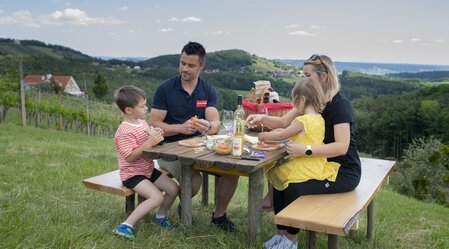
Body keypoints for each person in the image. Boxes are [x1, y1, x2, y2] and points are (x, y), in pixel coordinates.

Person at [246, 54, 361, 249]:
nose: (303, 79)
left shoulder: (340, 106)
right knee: (280, 179)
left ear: (323, 77)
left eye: (307, 75)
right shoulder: (310, 99)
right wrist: (261, 118)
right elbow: (284, 122)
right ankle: (282, 235)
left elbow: (342, 147)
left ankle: (291, 241)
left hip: (341, 171)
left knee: (294, 188)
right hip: (315, 165)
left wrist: (305, 149)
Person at [149, 41, 239, 232]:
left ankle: (219, 216)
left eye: (190, 65)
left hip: (200, 148)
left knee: (232, 171)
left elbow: (215, 122)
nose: (185, 69)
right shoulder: (165, 89)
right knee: (195, 181)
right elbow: (154, 124)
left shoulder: (207, 89)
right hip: (169, 149)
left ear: (201, 66)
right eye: (182, 63)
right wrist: (180, 128)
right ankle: (184, 205)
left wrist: (209, 125)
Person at [113, 85, 179, 240]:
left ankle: (160, 217)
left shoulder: (141, 123)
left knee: (173, 189)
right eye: (142, 106)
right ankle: (125, 226)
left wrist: (156, 136)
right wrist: (149, 143)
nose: (146, 108)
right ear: (129, 110)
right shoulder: (124, 131)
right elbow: (129, 157)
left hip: (147, 170)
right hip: (133, 174)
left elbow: (148, 143)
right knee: (156, 197)